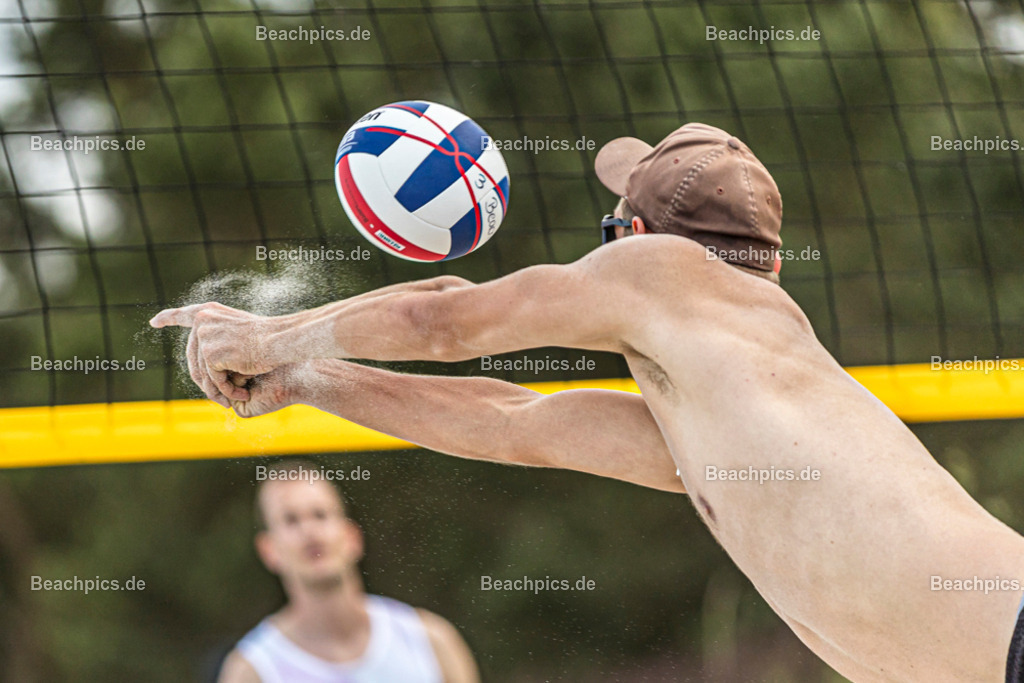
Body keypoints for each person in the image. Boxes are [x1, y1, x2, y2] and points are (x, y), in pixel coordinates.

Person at [155, 122, 1024, 682]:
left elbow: (445, 319)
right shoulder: (732, 409)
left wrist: (265, 337)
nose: (598, 246)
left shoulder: (663, 272)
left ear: (634, 240)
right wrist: (303, 382)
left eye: (611, 221)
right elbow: (509, 423)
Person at [217, 460, 479, 683]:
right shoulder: (252, 670)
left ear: (353, 537)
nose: (310, 532)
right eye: (290, 520)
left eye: (320, 515)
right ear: (268, 550)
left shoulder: (431, 641)